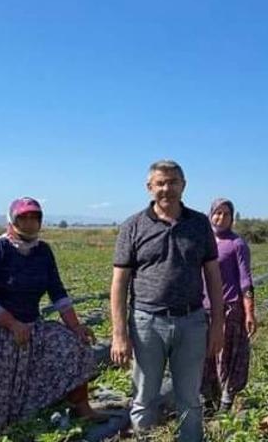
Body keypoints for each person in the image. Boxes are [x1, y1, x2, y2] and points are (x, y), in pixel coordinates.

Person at [109, 160, 225, 442]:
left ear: (183, 185)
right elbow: (119, 283)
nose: (167, 188)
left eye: (173, 182)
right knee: (144, 397)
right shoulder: (133, 226)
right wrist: (119, 333)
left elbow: (212, 275)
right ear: (150, 188)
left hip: (192, 321)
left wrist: (218, 324)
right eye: (160, 183)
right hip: (147, 322)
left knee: (190, 398)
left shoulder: (199, 224)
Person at [0, 197, 100, 439]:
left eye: (34, 217)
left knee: (76, 345)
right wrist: (12, 324)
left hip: (31, 324)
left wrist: (75, 326)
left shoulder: (43, 251)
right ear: (11, 220)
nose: (29, 223)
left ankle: (81, 407)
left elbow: (57, 291)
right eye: (23, 217)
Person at [201, 198, 256, 413]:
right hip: (203, 309)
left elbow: (245, 280)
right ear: (210, 214)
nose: (221, 218)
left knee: (227, 356)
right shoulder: (203, 241)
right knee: (205, 358)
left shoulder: (237, 244)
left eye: (226, 214)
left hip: (229, 309)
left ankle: (226, 403)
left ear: (232, 218)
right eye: (217, 213)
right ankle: (207, 401)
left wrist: (249, 311)